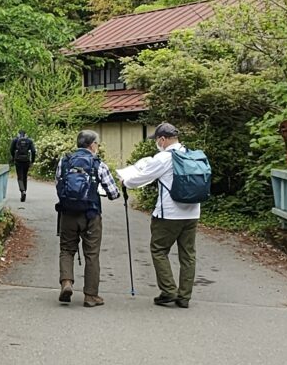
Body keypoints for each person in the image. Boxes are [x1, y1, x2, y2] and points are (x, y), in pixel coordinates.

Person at [118, 122, 202, 308]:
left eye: (157, 140)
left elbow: (142, 177)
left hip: (169, 214)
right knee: (188, 255)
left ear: (163, 139)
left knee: (159, 250)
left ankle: (168, 290)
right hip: (192, 213)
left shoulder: (164, 158)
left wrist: (126, 181)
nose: (157, 143)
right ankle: (184, 297)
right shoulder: (191, 154)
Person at [55, 130, 120, 307]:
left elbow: (58, 184)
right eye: (97, 144)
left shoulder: (65, 160)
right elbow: (113, 193)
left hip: (68, 213)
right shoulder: (98, 164)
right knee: (91, 254)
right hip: (91, 214)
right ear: (92, 145)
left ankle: (66, 282)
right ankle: (91, 296)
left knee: (67, 249)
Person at [10, 130, 36, 202]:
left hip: (18, 161)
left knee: (20, 177)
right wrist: (32, 161)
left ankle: (22, 190)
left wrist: (14, 157)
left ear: (18, 134)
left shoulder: (15, 140)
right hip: (26, 161)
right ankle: (24, 190)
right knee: (24, 176)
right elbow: (33, 151)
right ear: (25, 134)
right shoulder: (29, 141)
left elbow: (11, 149)